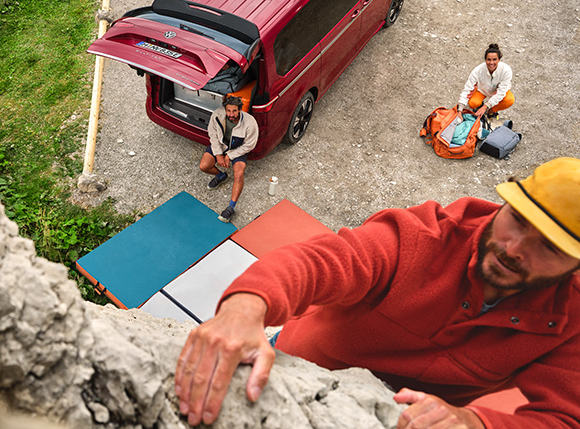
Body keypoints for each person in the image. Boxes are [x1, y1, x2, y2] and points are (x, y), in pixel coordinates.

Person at [175, 158, 580, 429]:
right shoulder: (424, 238)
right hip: (293, 371)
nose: (514, 249)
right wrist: (243, 309)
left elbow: (563, 418)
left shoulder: (570, 319)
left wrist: (473, 422)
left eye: (549, 247)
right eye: (518, 220)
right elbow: (322, 262)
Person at [200, 94, 259, 223]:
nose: (231, 114)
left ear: (240, 110)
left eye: (234, 111)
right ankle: (221, 176)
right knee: (204, 166)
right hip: (221, 147)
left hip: (237, 149)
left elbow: (249, 145)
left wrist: (230, 156)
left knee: (239, 174)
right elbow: (213, 135)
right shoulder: (217, 114)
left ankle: (231, 208)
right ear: (225, 109)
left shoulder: (250, 123)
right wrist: (218, 154)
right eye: (228, 110)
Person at [457, 43, 514, 121]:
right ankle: (480, 107)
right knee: (473, 103)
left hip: (497, 92)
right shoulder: (478, 71)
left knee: (509, 100)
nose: (491, 63)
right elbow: (468, 89)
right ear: (485, 60)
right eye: (488, 59)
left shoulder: (506, 70)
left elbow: (501, 92)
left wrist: (486, 107)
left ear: (499, 60)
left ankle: (491, 111)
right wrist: (460, 109)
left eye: (494, 59)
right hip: (482, 90)